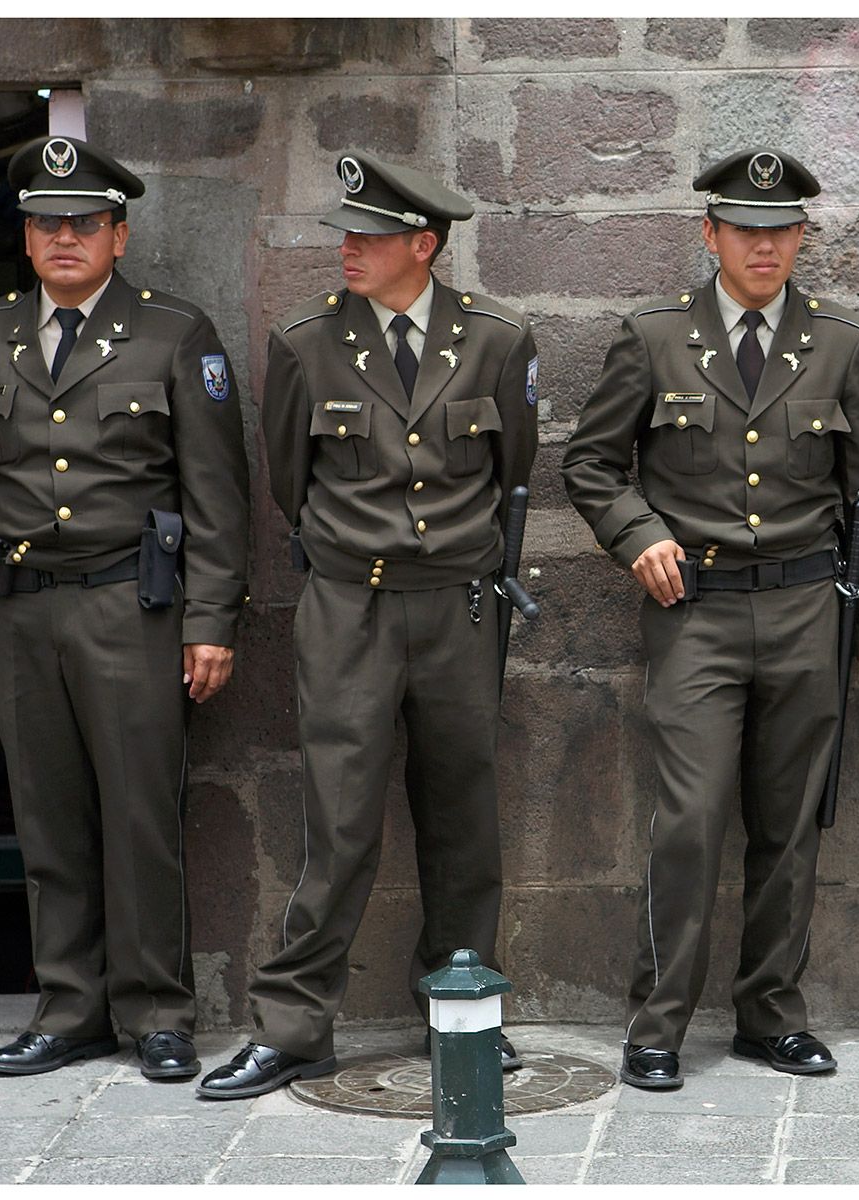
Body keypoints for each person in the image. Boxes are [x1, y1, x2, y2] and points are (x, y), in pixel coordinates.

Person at [200, 152, 538, 1100]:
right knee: (339, 820)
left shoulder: (498, 340)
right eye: (346, 234)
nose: (348, 248)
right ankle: (296, 1024)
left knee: (463, 813)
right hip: (348, 606)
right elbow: (288, 485)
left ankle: (463, 1008)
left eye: (370, 236)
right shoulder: (307, 343)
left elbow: (513, 464)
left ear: (422, 246)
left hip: (459, 607)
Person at [562, 148, 859, 1090]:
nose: (765, 246)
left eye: (782, 230)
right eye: (746, 230)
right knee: (691, 821)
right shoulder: (655, 336)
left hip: (805, 610)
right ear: (710, 234)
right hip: (695, 611)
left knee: (790, 825)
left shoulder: (840, 341)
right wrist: (638, 537)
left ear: (802, 237)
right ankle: (659, 1019)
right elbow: (590, 465)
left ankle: (771, 1015)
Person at [0, 136, 249, 1079]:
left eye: (84, 223)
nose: (64, 238)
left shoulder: (174, 332)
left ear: (119, 236)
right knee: (46, 818)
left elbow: (216, 493)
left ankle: (159, 1010)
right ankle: (69, 1006)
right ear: (27, 239)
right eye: (46, 224)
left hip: (132, 606)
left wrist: (209, 620)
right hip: (24, 607)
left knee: (137, 816)